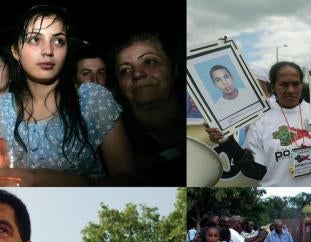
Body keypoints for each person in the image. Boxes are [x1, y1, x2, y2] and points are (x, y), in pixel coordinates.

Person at [0, 4, 135, 186]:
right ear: (15, 51)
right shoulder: (2, 109)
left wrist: (45, 179)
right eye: (34, 39)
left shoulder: (92, 100)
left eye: (58, 41)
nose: (48, 51)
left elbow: (129, 181)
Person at [206, 61, 311, 187]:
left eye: (296, 84)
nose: (291, 90)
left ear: (302, 85)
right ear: (272, 87)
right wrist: (227, 142)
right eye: (284, 85)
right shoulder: (261, 121)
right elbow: (255, 171)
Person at [114, 33, 185, 186]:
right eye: (125, 70)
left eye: (149, 62)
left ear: (174, 70)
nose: (137, 74)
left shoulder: (203, 120)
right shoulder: (118, 143)